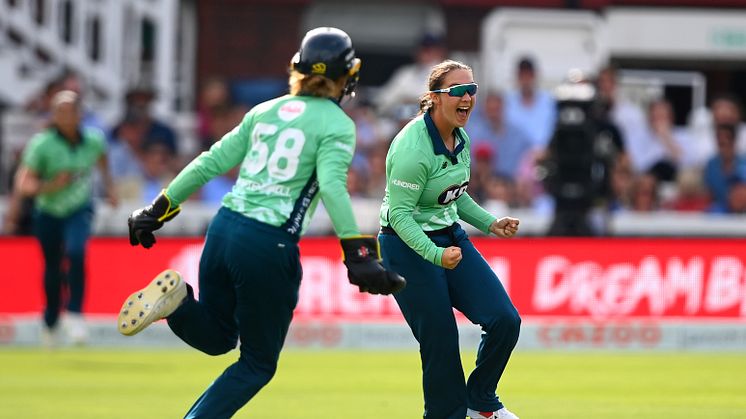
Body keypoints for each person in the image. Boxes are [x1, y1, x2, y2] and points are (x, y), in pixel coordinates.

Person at [116, 27, 405, 418]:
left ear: (296, 69)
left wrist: (156, 209)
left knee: (219, 337)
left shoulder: (265, 110)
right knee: (257, 363)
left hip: (223, 228)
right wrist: (358, 252)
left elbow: (210, 161)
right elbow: (334, 188)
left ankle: (178, 304)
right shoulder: (337, 124)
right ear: (348, 76)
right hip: (269, 243)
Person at [377, 60, 521, 419]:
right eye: (458, 91)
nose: (468, 98)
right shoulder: (413, 148)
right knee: (440, 340)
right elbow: (399, 215)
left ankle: (480, 400)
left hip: (449, 235)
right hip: (406, 246)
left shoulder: (461, 137)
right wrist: (435, 255)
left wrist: (490, 223)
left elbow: (454, 195)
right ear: (434, 98)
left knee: (505, 319)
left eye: (472, 90)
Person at [4, 90, 118, 346]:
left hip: (79, 208)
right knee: (53, 266)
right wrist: (51, 186)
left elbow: (102, 162)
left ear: (80, 114)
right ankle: (51, 319)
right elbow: (25, 184)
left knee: (77, 252)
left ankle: (75, 313)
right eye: (60, 112)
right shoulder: (42, 144)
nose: (65, 117)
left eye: (70, 111)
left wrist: (110, 189)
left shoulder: (93, 140)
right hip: (48, 211)